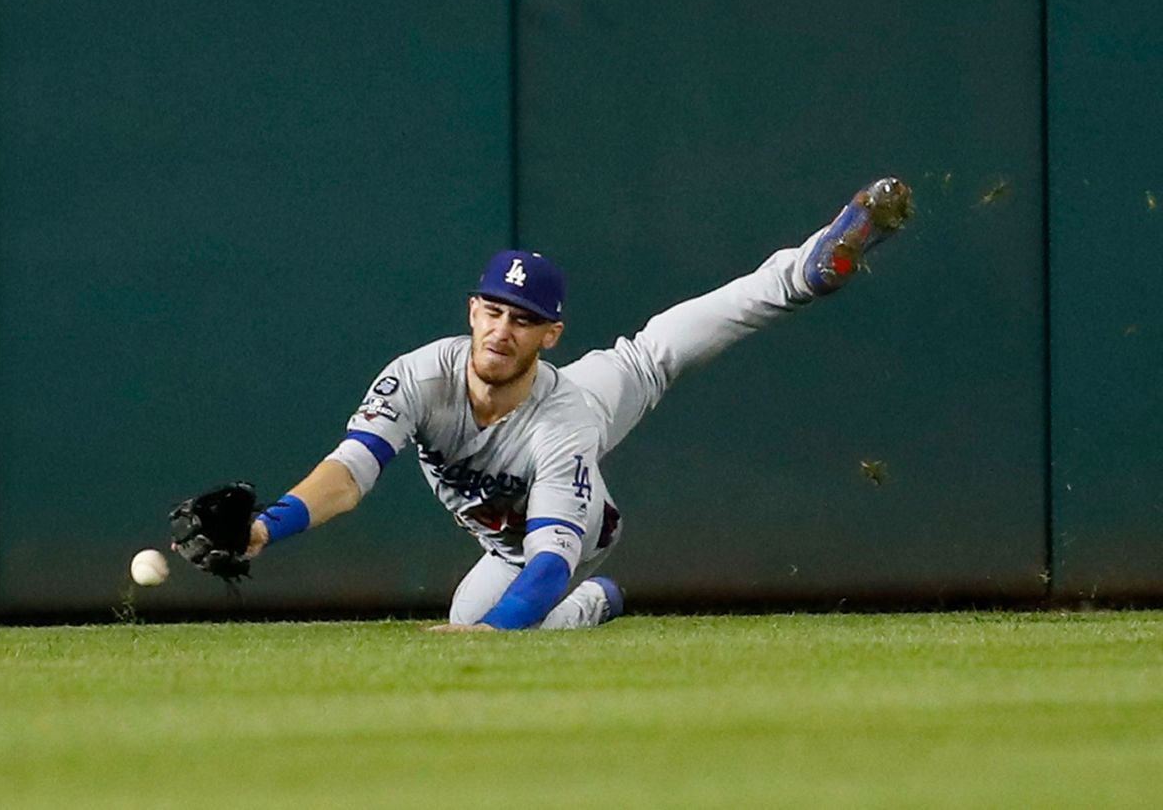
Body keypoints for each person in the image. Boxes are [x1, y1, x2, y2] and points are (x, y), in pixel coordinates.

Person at [246, 178, 912, 631]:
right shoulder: (421, 377)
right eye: (494, 312)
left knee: (654, 356)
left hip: (571, 508)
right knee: (466, 621)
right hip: (508, 537)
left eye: (524, 320)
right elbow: (350, 472)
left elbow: (548, 566)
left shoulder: (569, 422)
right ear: (472, 311)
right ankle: (596, 606)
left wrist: (495, 636)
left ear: (550, 334)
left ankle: (803, 271)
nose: (504, 329)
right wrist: (263, 529)